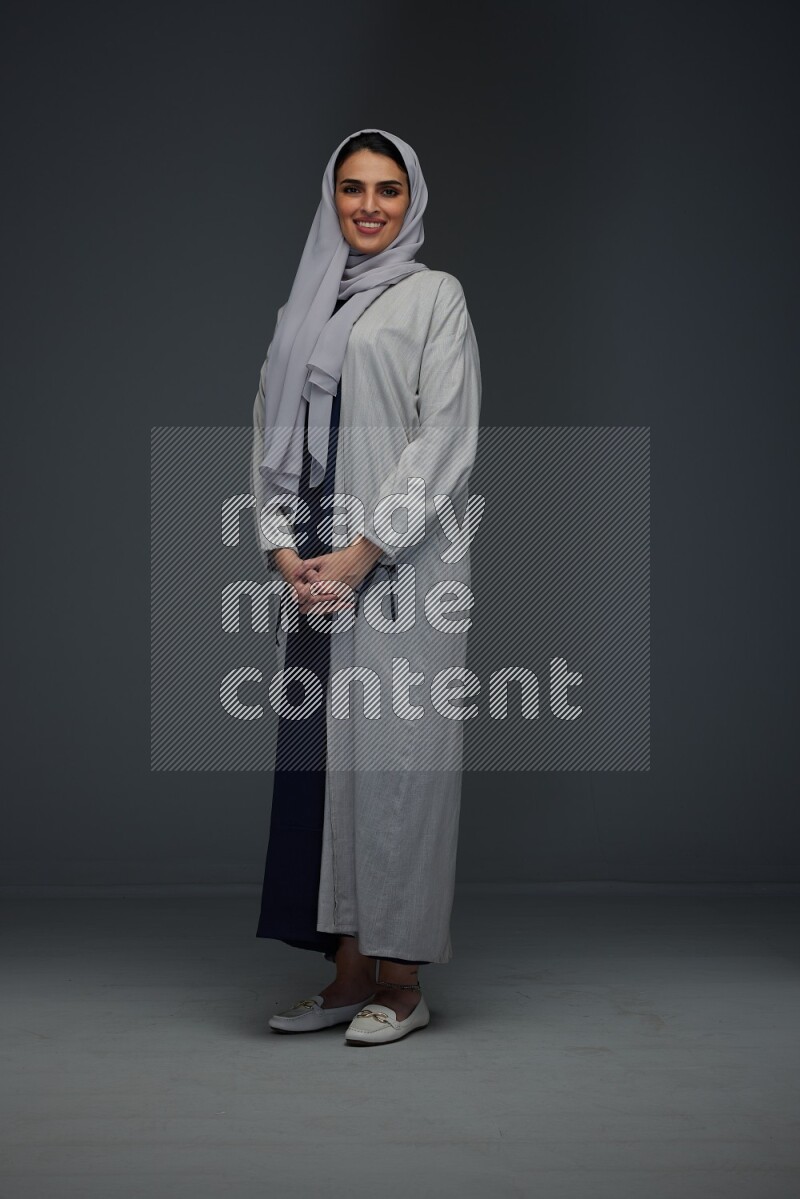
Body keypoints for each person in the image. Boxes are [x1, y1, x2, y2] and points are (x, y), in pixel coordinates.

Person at [250, 128, 481, 1045]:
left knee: (398, 768)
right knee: (327, 768)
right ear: (331, 196)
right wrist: (282, 552)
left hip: (403, 567)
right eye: (353, 188)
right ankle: (347, 972)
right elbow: (268, 429)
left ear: (412, 199)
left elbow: (447, 438)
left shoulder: (435, 299)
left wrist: (365, 549)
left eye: (389, 189)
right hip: (313, 567)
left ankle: (404, 979)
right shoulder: (300, 308)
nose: (371, 206)